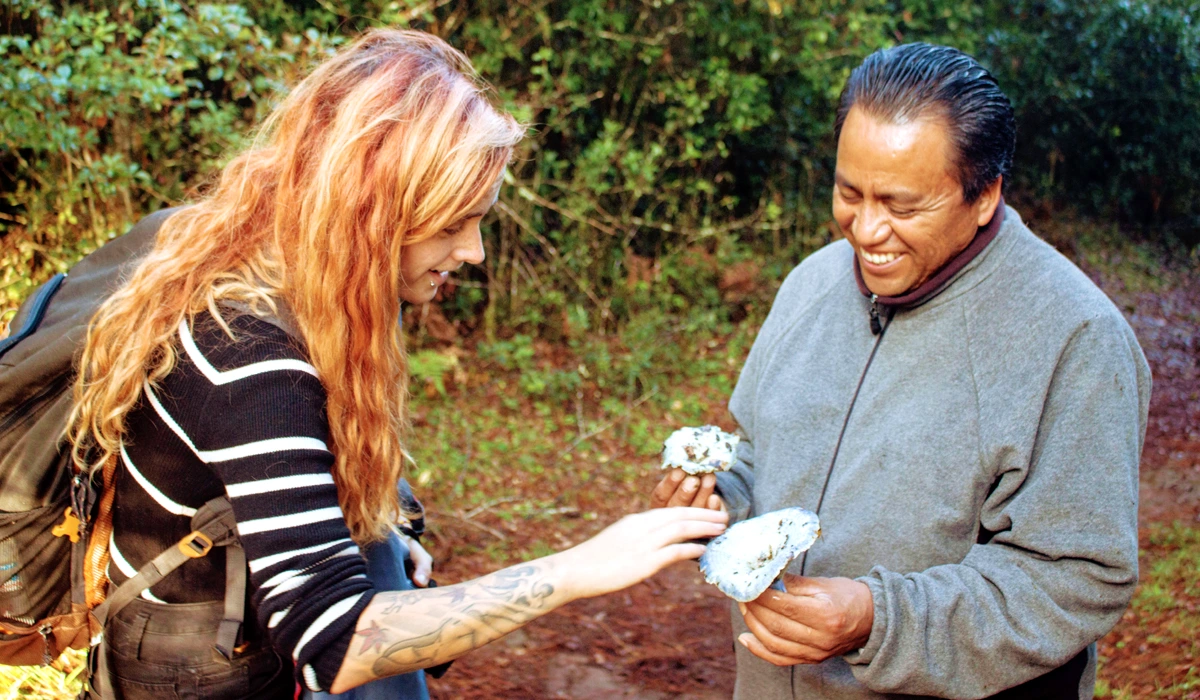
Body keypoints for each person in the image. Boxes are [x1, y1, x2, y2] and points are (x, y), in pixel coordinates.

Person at [67, 29, 727, 699]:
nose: (473, 252)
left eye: (478, 221)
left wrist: (375, 530)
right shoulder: (252, 359)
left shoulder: (312, 289)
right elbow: (334, 640)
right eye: (450, 224)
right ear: (369, 215)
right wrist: (582, 567)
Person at [652, 43, 1150, 699]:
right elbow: (758, 451)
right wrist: (718, 498)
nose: (865, 230)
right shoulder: (812, 284)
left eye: (902, 205)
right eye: (848, 192)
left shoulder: (1076, 339)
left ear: (984, 195)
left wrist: (875, 620)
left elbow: (1078, 577)